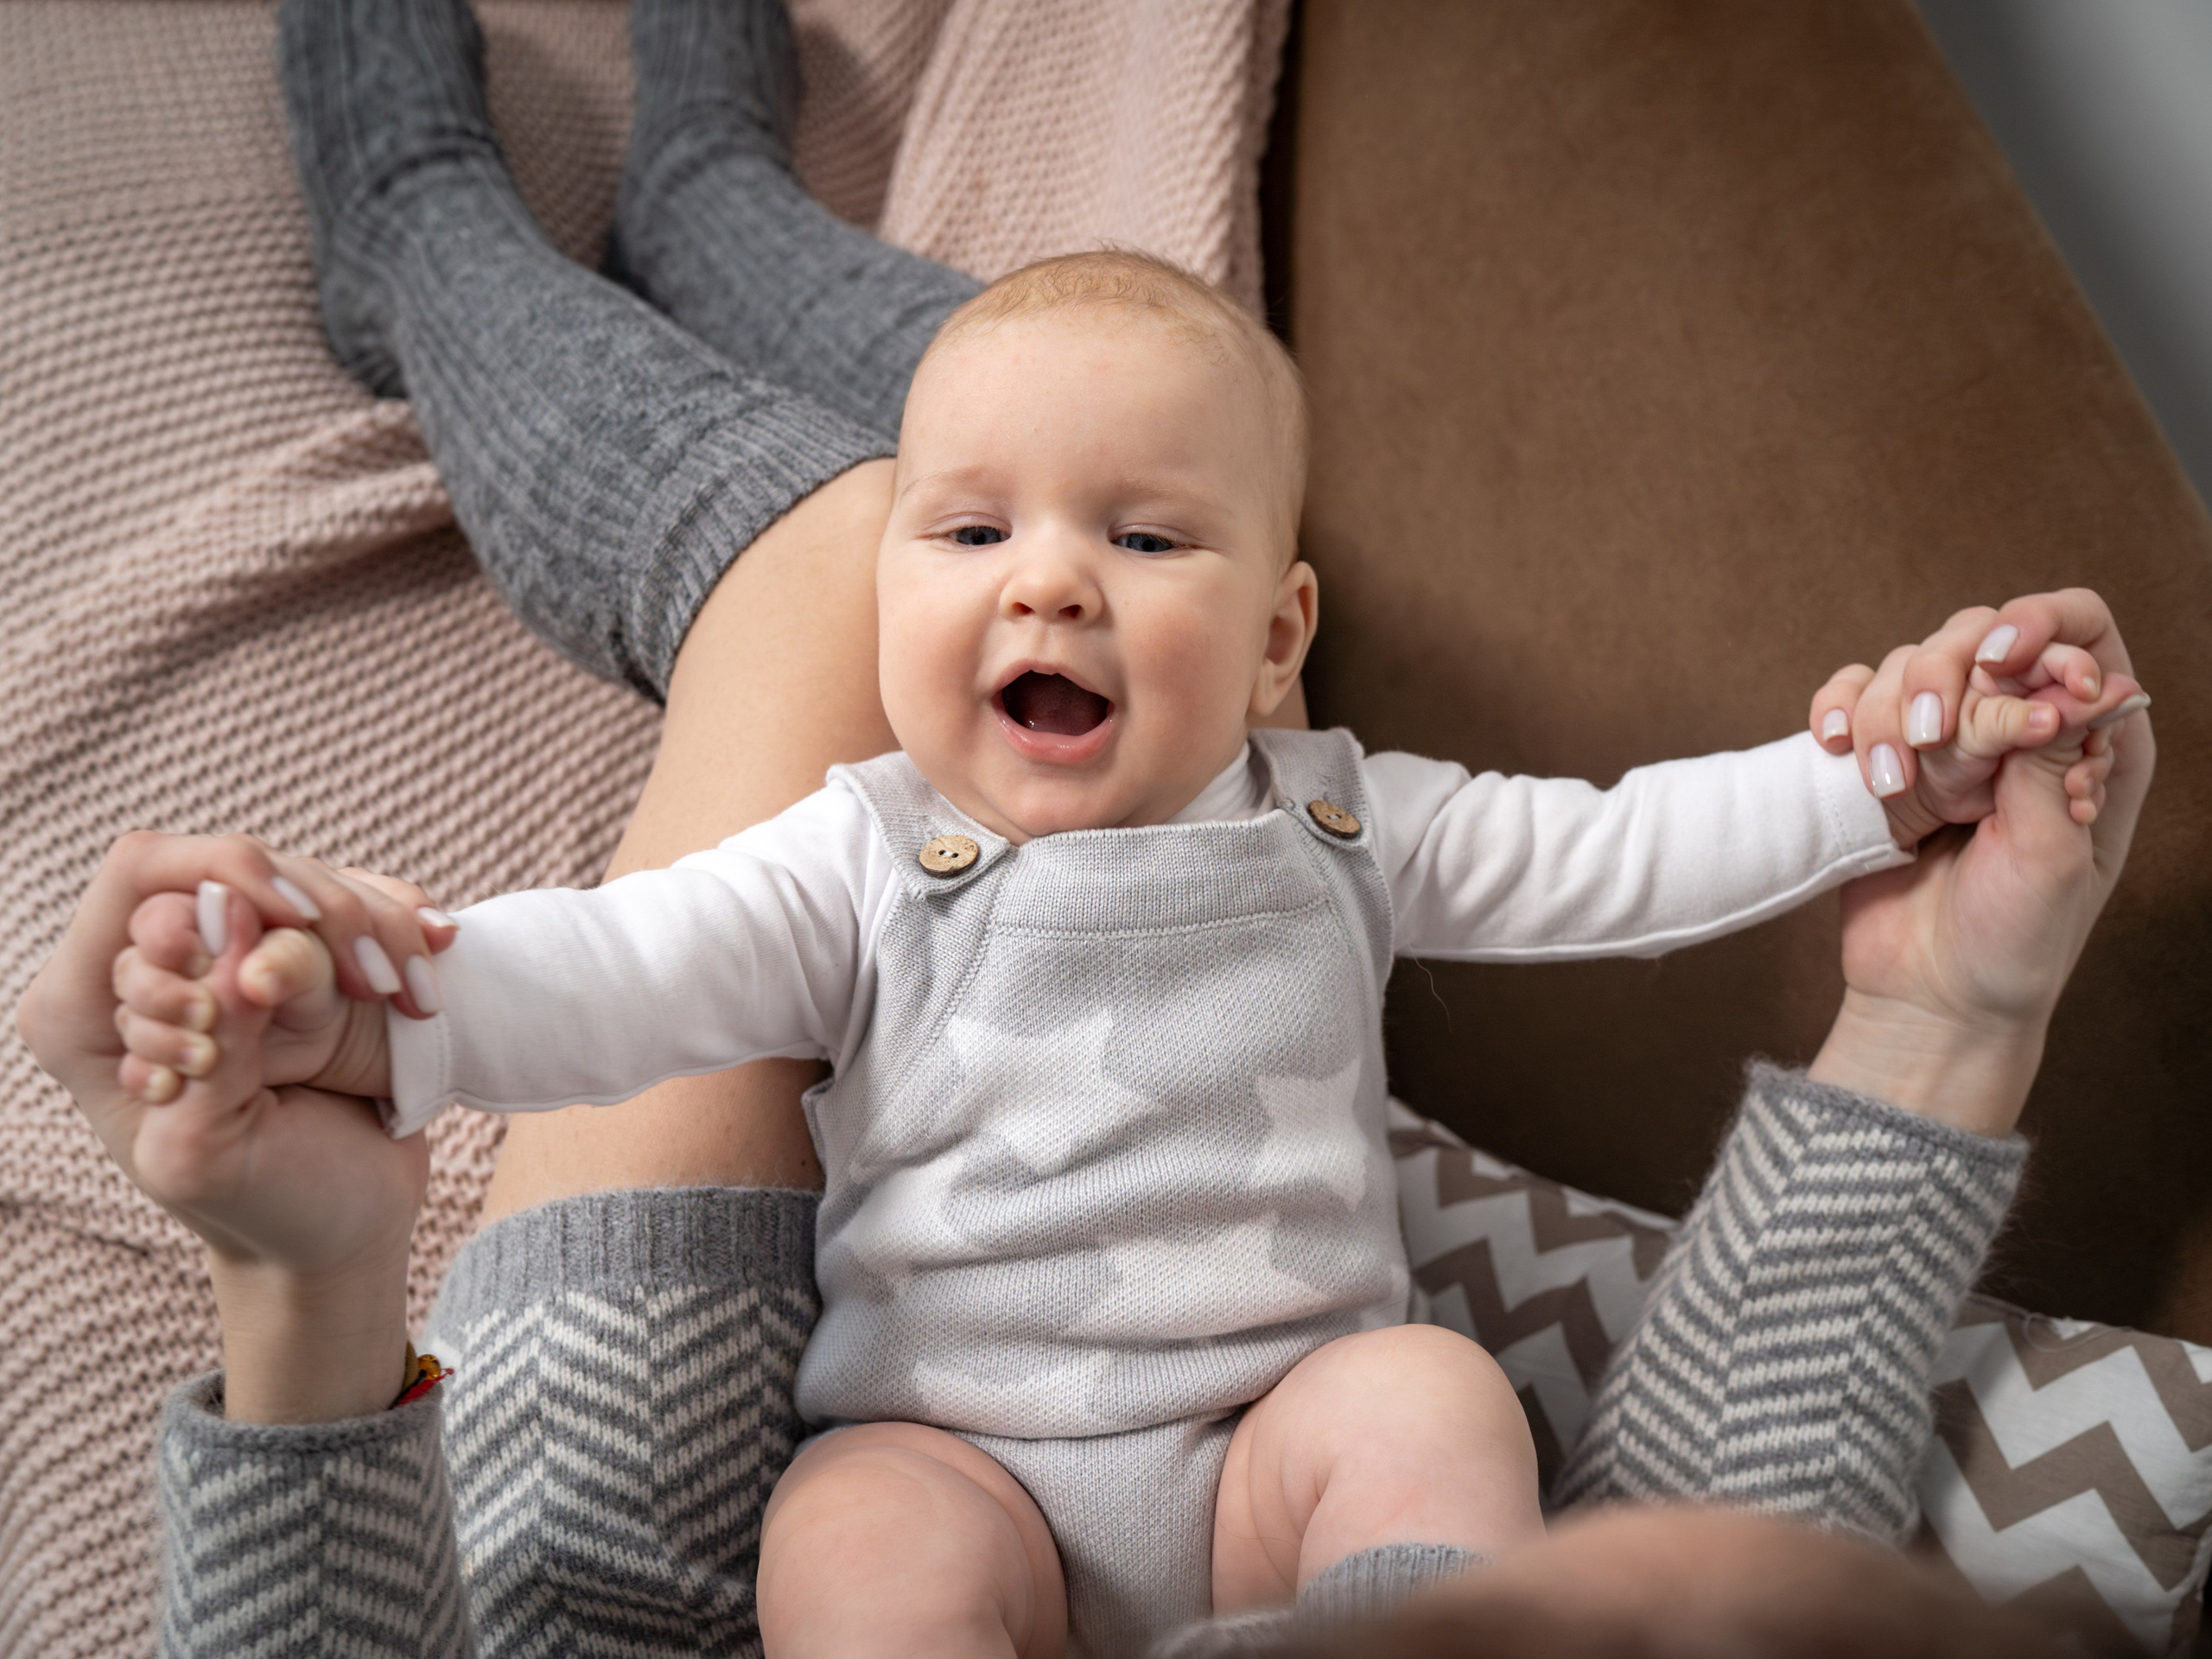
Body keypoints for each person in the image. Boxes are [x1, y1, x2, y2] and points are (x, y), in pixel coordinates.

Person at [9, 0, 2158, 1655]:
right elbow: (622, 967)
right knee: (1036, 429)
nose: (1038, 585)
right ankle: (710, 203)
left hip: (1120, 1459)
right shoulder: (910, 843)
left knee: (1352, 1402)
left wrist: (328, 1196)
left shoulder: (1325, 809)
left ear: (1282, 633)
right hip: (975, 1445)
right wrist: (1883, 811)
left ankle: (455, 225)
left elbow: (1602, 858)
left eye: (1131, 551)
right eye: (990, 549)